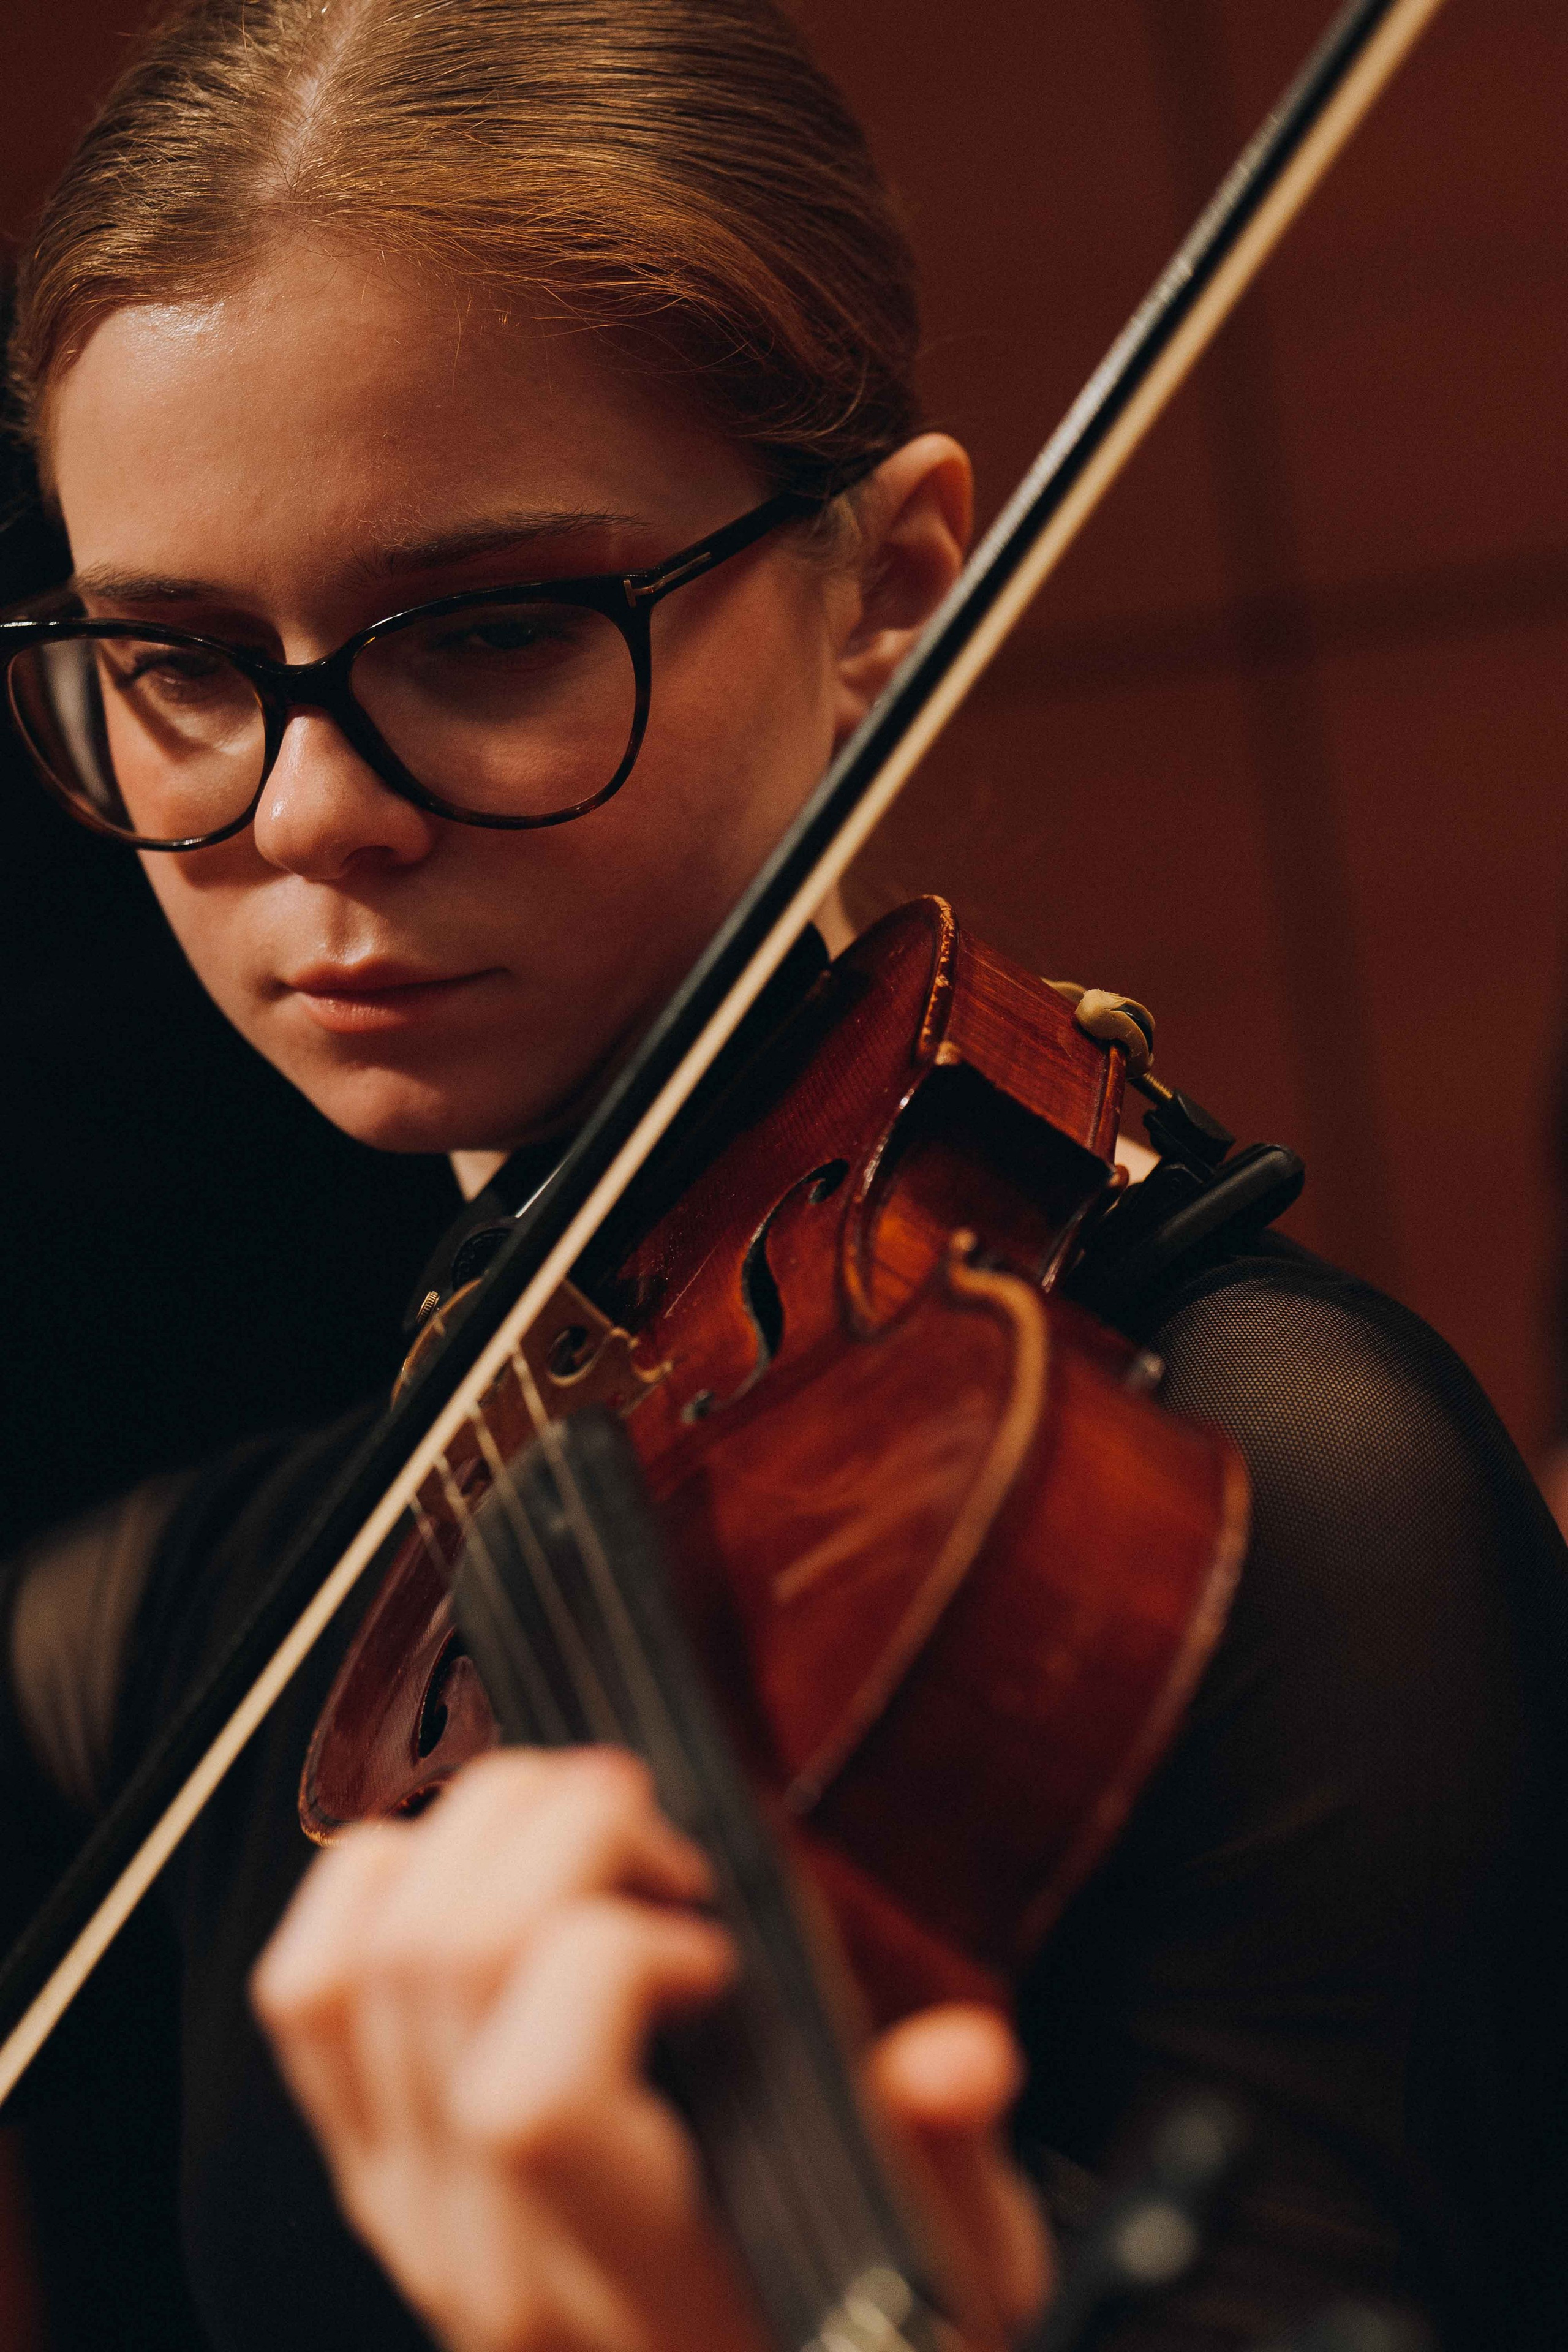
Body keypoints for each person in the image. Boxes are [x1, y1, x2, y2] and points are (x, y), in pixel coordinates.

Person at [1, 2, 1564, 2347]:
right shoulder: (189, 1632)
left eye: (498, 627)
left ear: (893, 583)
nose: (307, 813)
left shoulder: (1261, 1483)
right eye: (175, 664)